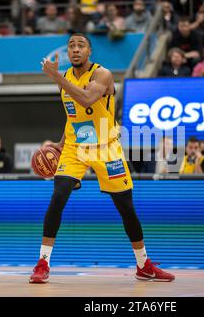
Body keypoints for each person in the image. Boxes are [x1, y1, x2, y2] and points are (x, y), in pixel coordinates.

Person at [32, 33, 175, 283]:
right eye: (71, 46)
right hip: (75, 146)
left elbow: (86, 98)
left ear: (89, 52)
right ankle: (42, 262)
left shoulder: (102, 75)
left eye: (81, 45)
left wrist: (55, 75)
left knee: (126, 208)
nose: (75, 49)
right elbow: (73, 115)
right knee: (58, 195)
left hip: (106, 148)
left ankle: (144, 264)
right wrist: (60, 143)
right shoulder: (64, 79)